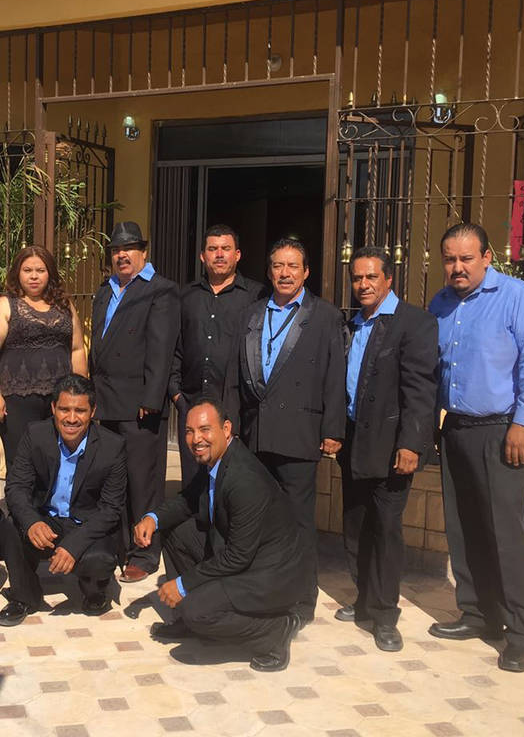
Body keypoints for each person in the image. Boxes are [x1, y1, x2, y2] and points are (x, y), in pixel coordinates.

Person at [427, 223, 524, 673]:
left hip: (504, 430)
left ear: (486, 257)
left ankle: (522, 632)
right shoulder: (440, 304)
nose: (457, 267)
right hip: (457, 428)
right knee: (464, 527)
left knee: (505, 532)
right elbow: (433, 369)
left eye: (466, 258)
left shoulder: (516, 297)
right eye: (450, 259)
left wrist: (523, 420)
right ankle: (478, 613)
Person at [134, 399, 305, 672]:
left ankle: (275, 631)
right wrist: (152, 519)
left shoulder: (244, 478)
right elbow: (189, 499)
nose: (196, 439)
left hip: (269, 576)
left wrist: (183, 585)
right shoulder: (218, 460)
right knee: (175, 531)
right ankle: (187, 621)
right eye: (189, 431)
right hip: (245, 556)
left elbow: (237, 557)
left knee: (198, 612)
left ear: (226, 429)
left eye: (205, 429)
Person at [238, 237, 346, 626]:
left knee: (299, 523)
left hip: (300, 434)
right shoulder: (252, 313)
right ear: (269, 272)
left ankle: (302, 600)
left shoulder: (325, 316)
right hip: (256, 433)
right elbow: (239, 371)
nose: (285, 273)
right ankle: (266, 590)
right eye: (278, 266)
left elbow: (335, 376)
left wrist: (333, 429)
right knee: (260, 519)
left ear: (306, 272)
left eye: (292, 266)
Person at [335, 246, 438, 652]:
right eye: (357, 278)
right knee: (356, 524)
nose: (363, 285)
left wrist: (411, 443)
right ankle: (363, 598)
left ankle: (384, 614)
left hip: (392, 447)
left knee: (385, 530)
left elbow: (421, 390)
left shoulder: (414, 323)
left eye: (371, 277)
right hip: (354, 442)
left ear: (388, 279)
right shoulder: (352, 324)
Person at [89, 221, 180, 582]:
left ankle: (144, 552)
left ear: (144, 252)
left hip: (140, 404)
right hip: (106, 401)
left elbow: (161, 346)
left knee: (144, 482)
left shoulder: (161, 290)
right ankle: (118, 545)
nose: (122, 255)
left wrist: (152, 396)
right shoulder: (105, 289)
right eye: (116, 250)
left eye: (129, 249)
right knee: (114, 479)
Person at [0, 374, 127, 625]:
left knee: (99, 560)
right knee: (11, 525)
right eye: (64, 409)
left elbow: (111, 509)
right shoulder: (35, 434)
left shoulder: (113, 446)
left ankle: (93, 591)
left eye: (80, 410)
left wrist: (73, 545)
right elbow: (16, 487)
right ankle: (24, 597)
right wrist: (32, 522)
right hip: (47, 519)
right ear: (53, 408)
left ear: (93, 412)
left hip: (86, 524)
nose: (71, 418)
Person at [169, 225, 263, 487]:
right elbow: (175, 348)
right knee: (193, 487)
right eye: (212, 249)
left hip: (236, 410)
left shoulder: (257, 297)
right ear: (203, 256)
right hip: (191, 405)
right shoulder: (186, 296)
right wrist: (177, 396)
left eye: (226, 249)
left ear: (238, 255)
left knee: (231, 486)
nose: (219, 254)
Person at [0, 245, 88, 468]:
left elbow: (77, 349)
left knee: (55, 460)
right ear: (17, 273)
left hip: (59, 399)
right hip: (17, 400)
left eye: (40, 270)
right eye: (27, 270)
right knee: (22, 461)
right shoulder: (4, 305)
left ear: (50, 273)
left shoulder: (65, 306)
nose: (34, 276)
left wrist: (81, 392)